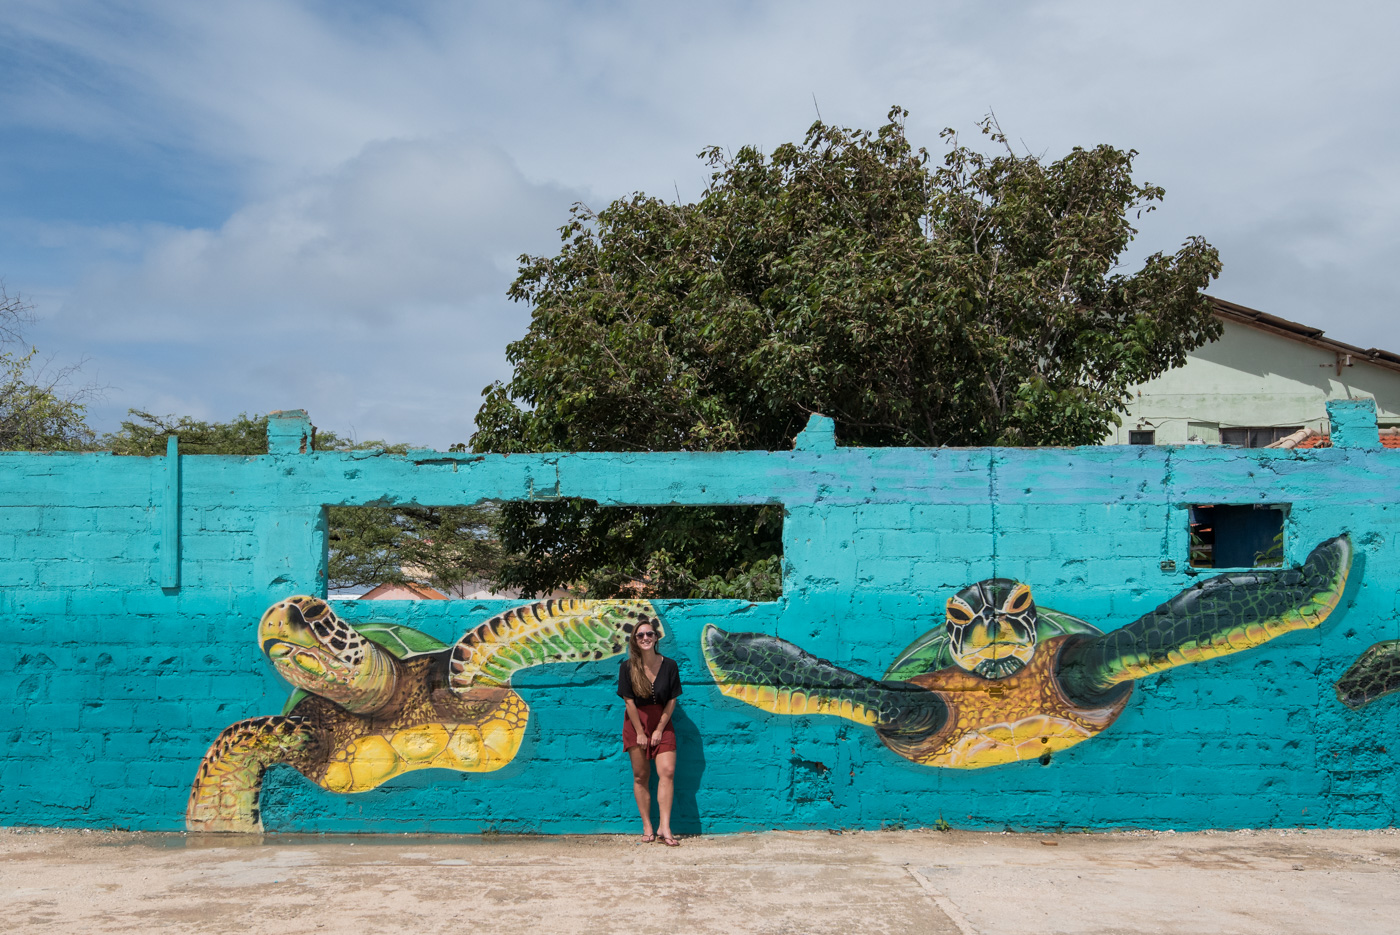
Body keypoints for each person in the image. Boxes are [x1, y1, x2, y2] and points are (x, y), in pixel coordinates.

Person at [618, 619, 682, 846]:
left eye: (649, 634)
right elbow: (629, 702)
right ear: (635, 641)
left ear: (656, 638)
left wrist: (659, 729)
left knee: (668, 771)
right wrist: (641, 732)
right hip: (636, 723)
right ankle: (647, 826)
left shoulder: (670, 665)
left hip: (662, 722)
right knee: (640, 776)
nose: (645, 638)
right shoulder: (627, 667)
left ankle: (665, 826)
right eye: (640, 635)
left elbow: (672, 700)